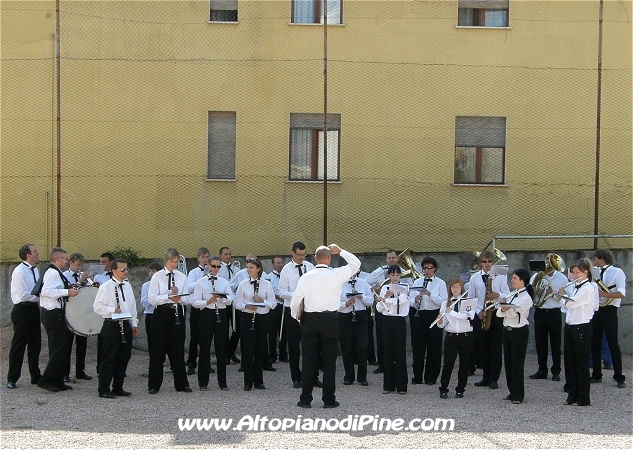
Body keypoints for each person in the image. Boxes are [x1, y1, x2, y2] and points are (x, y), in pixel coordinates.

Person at [292, 244, 360, 408]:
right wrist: (341, 251)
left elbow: (295, 302)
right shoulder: (336, 274)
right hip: (330, 319)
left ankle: (305, 399)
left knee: (308, 360)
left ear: (315, 258)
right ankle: (329, 399)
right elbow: (356, 263)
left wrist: (298, 318)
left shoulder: (305, 277)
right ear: (329, 259)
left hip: (310, 319)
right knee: (329, 360)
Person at [147, 248, 192, 394]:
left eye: (176, 262)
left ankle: (181, 384)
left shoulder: (181, 277)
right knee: (157, 350)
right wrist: (168, 296)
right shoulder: (157, 276)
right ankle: (154, 385)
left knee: (178, 349)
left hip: (177, 312)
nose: (174, 264)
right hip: (161, 312)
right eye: (172, 262)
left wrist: (179, 298)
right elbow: (152, 298)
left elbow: (187, 298)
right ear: (165, 261)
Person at [93, 258, 138, 398]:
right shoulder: (106, 286)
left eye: (127, 269)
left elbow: (132, 306)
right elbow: (97, 306)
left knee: (124, 356)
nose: (126, 272)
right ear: (114, 271)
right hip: (111, 324)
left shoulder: (127, 286)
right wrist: (112, 309)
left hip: (125, 323)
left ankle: (118, 387)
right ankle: (104, 388)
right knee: (109, 357)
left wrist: (134, 323)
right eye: (122, 269)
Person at [38, 248, 79, 392]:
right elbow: (46, 291)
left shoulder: (56, 273)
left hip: (55, 313)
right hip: (53, 313)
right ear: (59, 259)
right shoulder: (52, 273)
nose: (67, 261)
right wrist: (67, 292)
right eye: (65, 259)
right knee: (59, 348)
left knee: (60, 347)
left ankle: (57, 380)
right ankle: (46, 380)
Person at [191, 256, 232, 391]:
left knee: (221, 348)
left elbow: (231, 299)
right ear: (208, 265)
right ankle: (203, 382)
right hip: (206, 315)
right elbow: (195, 302)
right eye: (213, 266)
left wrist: (222, 298)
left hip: (220, 313)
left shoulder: (224, 282)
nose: (216, 269)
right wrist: (207, 302)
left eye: (218, 267)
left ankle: (223, 382)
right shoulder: (201, 282)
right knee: (205, 347)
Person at [469, 251, 509, 390]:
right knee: (483, 348)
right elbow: (471, 298)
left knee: (496, 348)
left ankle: (494, 378)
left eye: (490, 261)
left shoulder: (501, 277)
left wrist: (498, 295)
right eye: (484, 262)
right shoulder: (474, 278)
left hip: (496, 313)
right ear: (480, 263)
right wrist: (477, 312)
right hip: (482, 314)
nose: (487, 264)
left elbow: (507, 294)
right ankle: (485, 377)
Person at [557, 259, 595, 406]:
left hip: (581, 327)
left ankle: (583, 397)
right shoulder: (576, 286)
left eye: (577, 272)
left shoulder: (588, 288)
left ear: (586, 272)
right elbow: (567, 306)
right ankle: (572, 394)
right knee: (570, 362)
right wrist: (562, 296)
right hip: (570, 326)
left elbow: (571, 303)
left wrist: (561, 297)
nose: (574, 275)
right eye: (573, 272)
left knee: (581, 363)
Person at [235, 258, 276, 391]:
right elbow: (237, 303)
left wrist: (262, 301)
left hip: (262, 318)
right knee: (248, 349)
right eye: (248, 267)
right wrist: (247, 305)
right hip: (247, 317)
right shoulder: (243, 284)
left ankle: (259, 381)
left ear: (258, 269)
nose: (248, 270)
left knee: (260, 349)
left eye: (251, 267)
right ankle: (248, 382)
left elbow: (273, 303)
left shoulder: (266, 285)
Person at [279, 242, 316, 388]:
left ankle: (313, 376)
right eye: (299, 254)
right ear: (292, 253)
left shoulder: (310, 267)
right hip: (293, 311)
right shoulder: (286, 270)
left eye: (304, 254)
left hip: (309, 310)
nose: (302, 257)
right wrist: (297, 295)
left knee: (312, 344)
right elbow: (281, 291)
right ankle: (296, 376)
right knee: (294, 345)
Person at [529, 253, 568, 382]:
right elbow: (530, 294)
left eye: (550, 259)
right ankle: (542, 370)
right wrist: (534, 289)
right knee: (540, 343)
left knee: (555, 343)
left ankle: (556, 371)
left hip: (554, 312)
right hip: (540, 311)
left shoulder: (562, 278)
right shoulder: (536, 275)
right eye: (546, 259)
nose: (548, 262)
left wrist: (552, 293)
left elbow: (564, 299)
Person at [7, 244, 42, 389]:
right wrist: (41, 296)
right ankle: (12, 377)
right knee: (19, 344)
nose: (37, 253)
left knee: (35, 343)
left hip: (33, 309)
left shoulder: (36, 270)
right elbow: (24, 294)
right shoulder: (19, 271)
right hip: (23, 309)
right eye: (35, 251)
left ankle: (35, 375)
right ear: (28, 255)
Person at [590, 249, 626, 389]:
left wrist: (602, 293)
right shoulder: (594, 271)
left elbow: (621, 293)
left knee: (613, 343)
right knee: (595, 342)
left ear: (602, 258)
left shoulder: (617, 272)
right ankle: (596, 374)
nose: (594, 261)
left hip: (610, 310)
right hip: (596, 309)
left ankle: (619, 377)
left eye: (595, 259)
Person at [408, 257, 447, 385]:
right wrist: (416, 299)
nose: (426, 270)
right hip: (419, 315)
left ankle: (431, 377)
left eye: (429, 268)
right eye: (424, 268)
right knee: (418, 346)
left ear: (434, 268)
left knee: (434, 347)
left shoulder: (440, 283)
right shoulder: (418, 281)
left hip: (434, 315)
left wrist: (430, 294)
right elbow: (410, 300)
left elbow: (443, 301)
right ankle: (417, 376)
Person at [497, 268, 533, 404]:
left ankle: (518, 394)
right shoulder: (512, 294)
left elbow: (514, 313)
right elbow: (499, 313)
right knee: (508, 362)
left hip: (519, 331)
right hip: (507, 330)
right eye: (512, 278)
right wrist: (504, 308)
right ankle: (511, 391)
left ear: (522, 281)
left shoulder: (526, 298)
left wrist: (506, 309)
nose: (512, 280)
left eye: (515, 278)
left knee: (517, 363)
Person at [437, 279, 474, 399]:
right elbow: (443, 325)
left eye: (458, 286)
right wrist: (440, 321)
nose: (455, 289)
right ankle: (443, 389)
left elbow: (467, 317)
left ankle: (460, 389)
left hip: (466, 336)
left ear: (462, 288)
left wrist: (451, 313)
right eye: (453, 287)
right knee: (448, 364)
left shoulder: (469, 301)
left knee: (464, 365)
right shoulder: (445, 303)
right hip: (451, 336)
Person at [375, 265, 410, 395]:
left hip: (399, 320)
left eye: (397, 275)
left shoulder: (405, 287)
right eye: (392, 274)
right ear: (389, 276)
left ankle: (402, 385)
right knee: (388, 351)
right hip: (387, 320)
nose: (395, 277)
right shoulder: (385, 288)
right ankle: (388, 385)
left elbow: (403, 303)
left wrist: (387, 300)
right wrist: (385, 297)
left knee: (400, 352)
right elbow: (379, 307)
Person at [338, 270, 373, 386]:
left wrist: (361, 296)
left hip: (360, 315)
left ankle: (362, 377)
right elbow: (335, 303)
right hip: (345, 316)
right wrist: (346, 304)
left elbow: (370, 301)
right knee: (347, 346)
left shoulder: (363, 283)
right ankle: (349, 376)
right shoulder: (340, 284)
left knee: (362, 346)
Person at [62, 253, 92, 381]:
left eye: (81, 265)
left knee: (82, 344)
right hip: (69, 312)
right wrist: (80, 282)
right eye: (78, 265)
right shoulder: (64, 275)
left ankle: (80, 371)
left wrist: (88, 283)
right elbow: (67, 290)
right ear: (71, 263)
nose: (79, 267)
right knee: (67, 344)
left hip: (82, 313)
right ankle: (65, 373)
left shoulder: (81, 276)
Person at [186, 247, 210, 375]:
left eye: (207, 257)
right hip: (196, 307)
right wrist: (202, 279)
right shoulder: (193, 273)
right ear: (198, 258)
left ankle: (206, 363)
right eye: (203, 257)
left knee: (206, 337)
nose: (205, 259)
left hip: (208, 307)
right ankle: (191, 363)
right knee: (195, 336)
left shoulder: (213, 272)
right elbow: (189, 288)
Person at [217, 246, 241, 365]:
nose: (228, 256)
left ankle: (230, 351)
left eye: (230, 254)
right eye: (226, 254)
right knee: (224, 330)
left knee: (237, 329)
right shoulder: (218, 269)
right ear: (220, 255)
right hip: (224, 302)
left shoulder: (236, 268)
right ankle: (225, 355)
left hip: (235, 302)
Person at [264, 256, 285, 368]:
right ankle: (272, 354)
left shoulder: (286, 276)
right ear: (272, 264)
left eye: (281, 262)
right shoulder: (268, 277)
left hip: (284, 305)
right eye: (277, 263)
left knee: (284, 331)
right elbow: (269, 291)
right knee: (272, 332)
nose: (280, 264)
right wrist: (278, 296)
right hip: (274, 306)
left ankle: (283, 354)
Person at [140, 262, 162, 354]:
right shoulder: (146, 285)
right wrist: (154, 299)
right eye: (150, 271)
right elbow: (143, 302)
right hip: (150, 314)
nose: (151, 273)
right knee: (152, 339)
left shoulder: (163, 284)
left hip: (161, 314)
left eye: (153, 271)